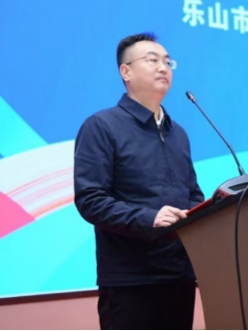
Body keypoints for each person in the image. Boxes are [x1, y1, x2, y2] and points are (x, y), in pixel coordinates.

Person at [73, 32, 204, 330]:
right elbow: (90, 199)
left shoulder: (178, 133)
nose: (163, 67)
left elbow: (193, 194)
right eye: (152, 60)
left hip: (179, 276)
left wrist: (200, 215)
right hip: (130, 280)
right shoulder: (102, 126)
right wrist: (149, 218)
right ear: (126, 72)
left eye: (167, 62)